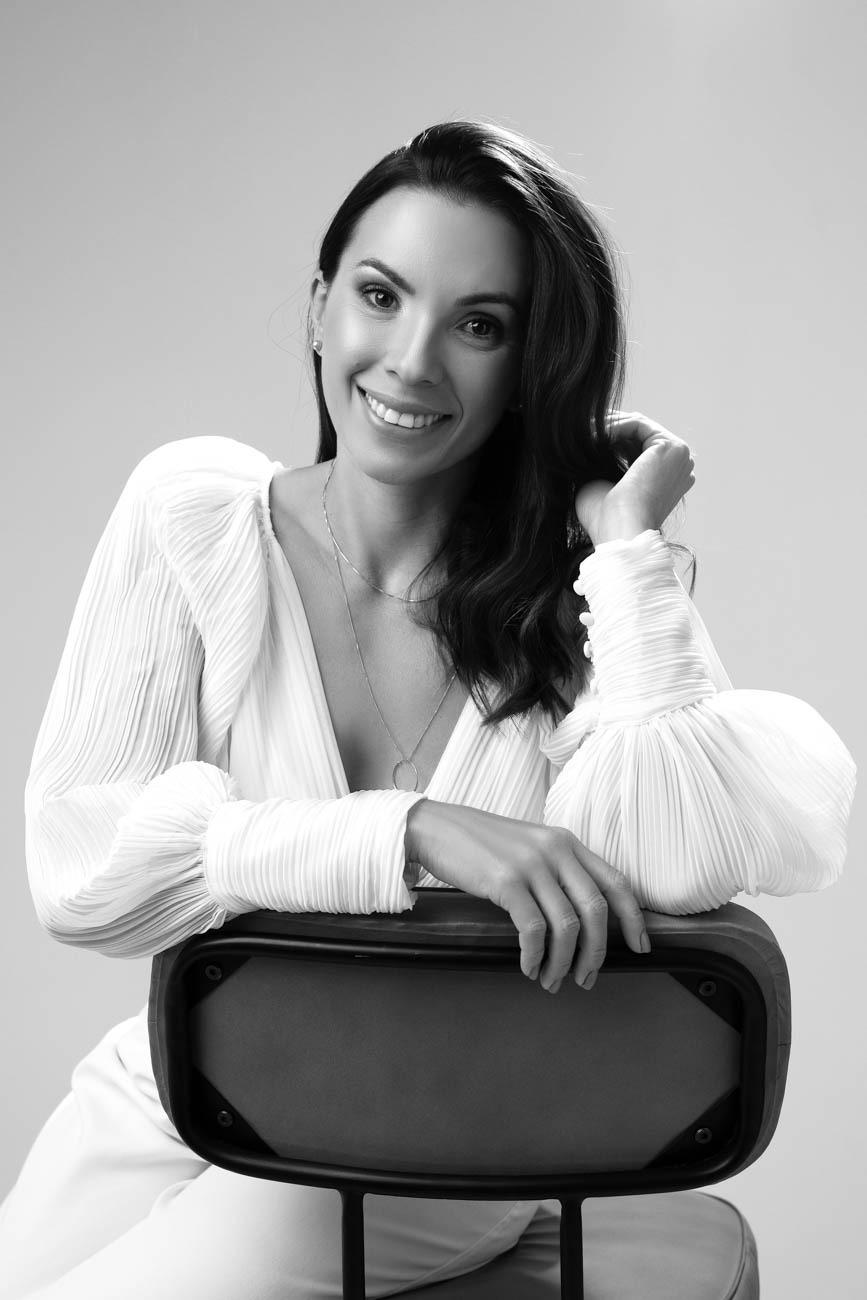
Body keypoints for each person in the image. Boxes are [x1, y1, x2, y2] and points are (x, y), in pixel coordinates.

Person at [0, 119, 855, 1298]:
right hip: (180, 1084)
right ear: (319, 309)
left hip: (452, 1132)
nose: (410, 360)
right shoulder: (192, 517)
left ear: (530, 366)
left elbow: (684, 853)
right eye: (380, 295)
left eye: (479, 324)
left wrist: (625, 548)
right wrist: (409, 831)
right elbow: (83, 872)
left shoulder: (582, 598)